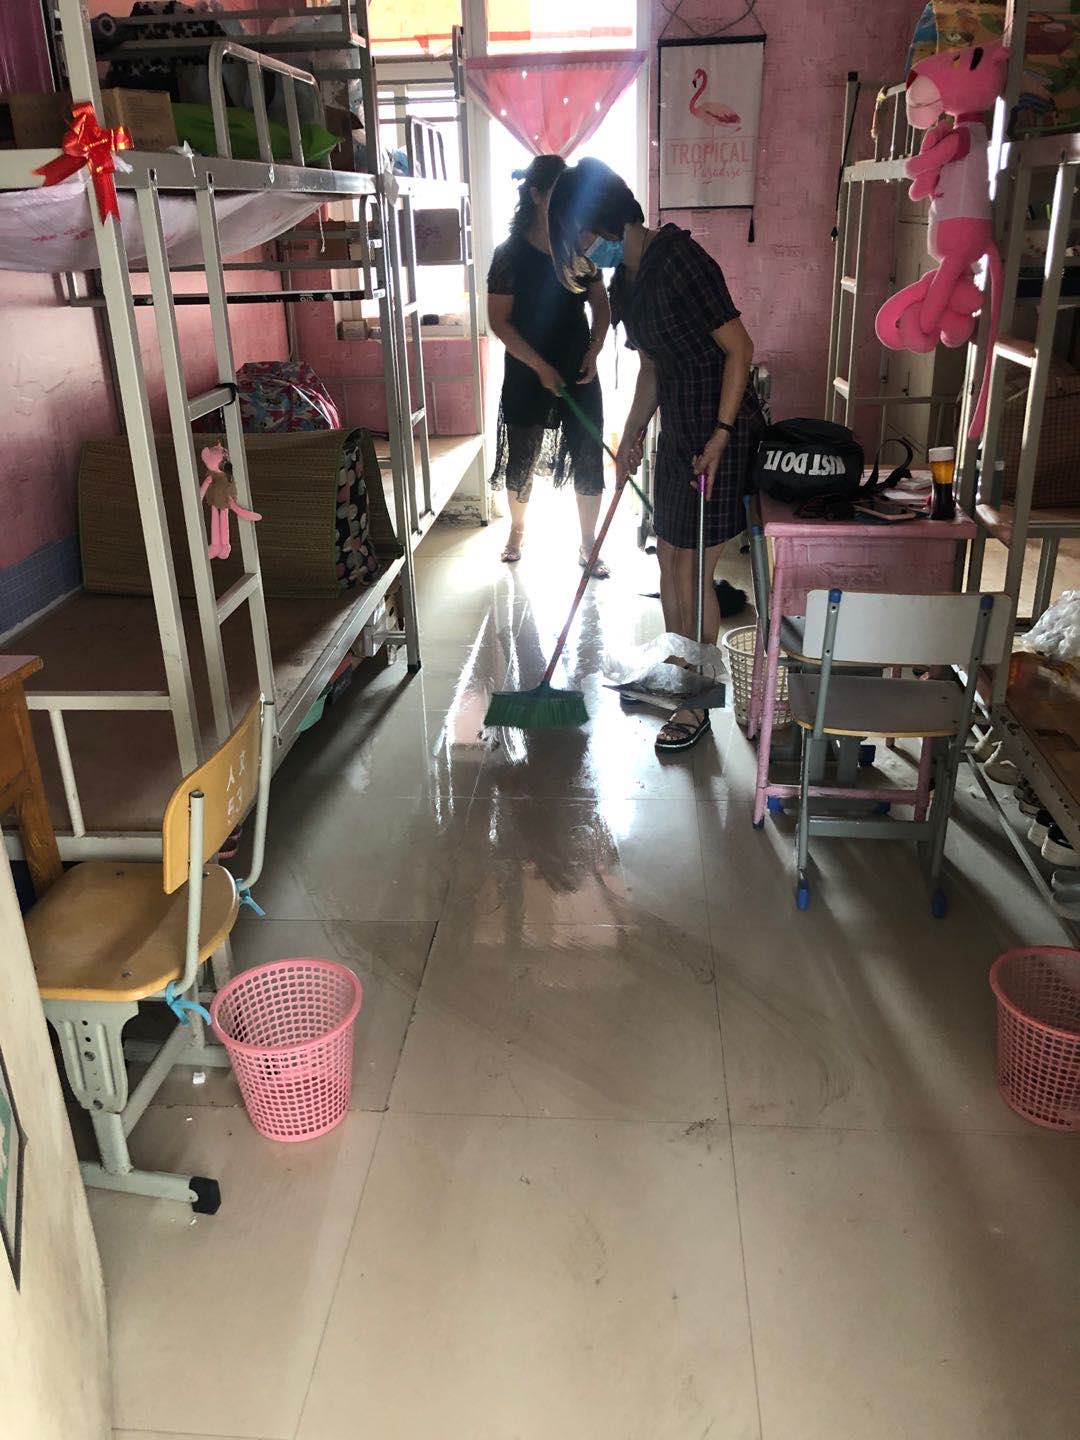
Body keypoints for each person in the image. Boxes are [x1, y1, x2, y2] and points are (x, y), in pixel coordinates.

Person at [548, 157, 763, 752]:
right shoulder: (628, 279)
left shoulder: (683, 261)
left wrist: (721, 434)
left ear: (606, 219)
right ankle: (679, 669)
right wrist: (631, 435)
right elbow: (651, 367)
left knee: (693, 572)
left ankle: (697, 702)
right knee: (668, 560)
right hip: (679, 430)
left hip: (719, 431)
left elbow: (741, 350)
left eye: (582, 236)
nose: (584, 251)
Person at [487, 155, 612, 573]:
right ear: (536, 194)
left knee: (589, 452)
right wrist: (540, 367)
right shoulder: (509, 255)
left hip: (578, 365)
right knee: (522, 454)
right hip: (527, 367)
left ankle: (588, 543)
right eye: (560, 191)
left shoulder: (577, 248)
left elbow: (601, 307)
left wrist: (594, 349)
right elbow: (499, 323)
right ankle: (517, 529)